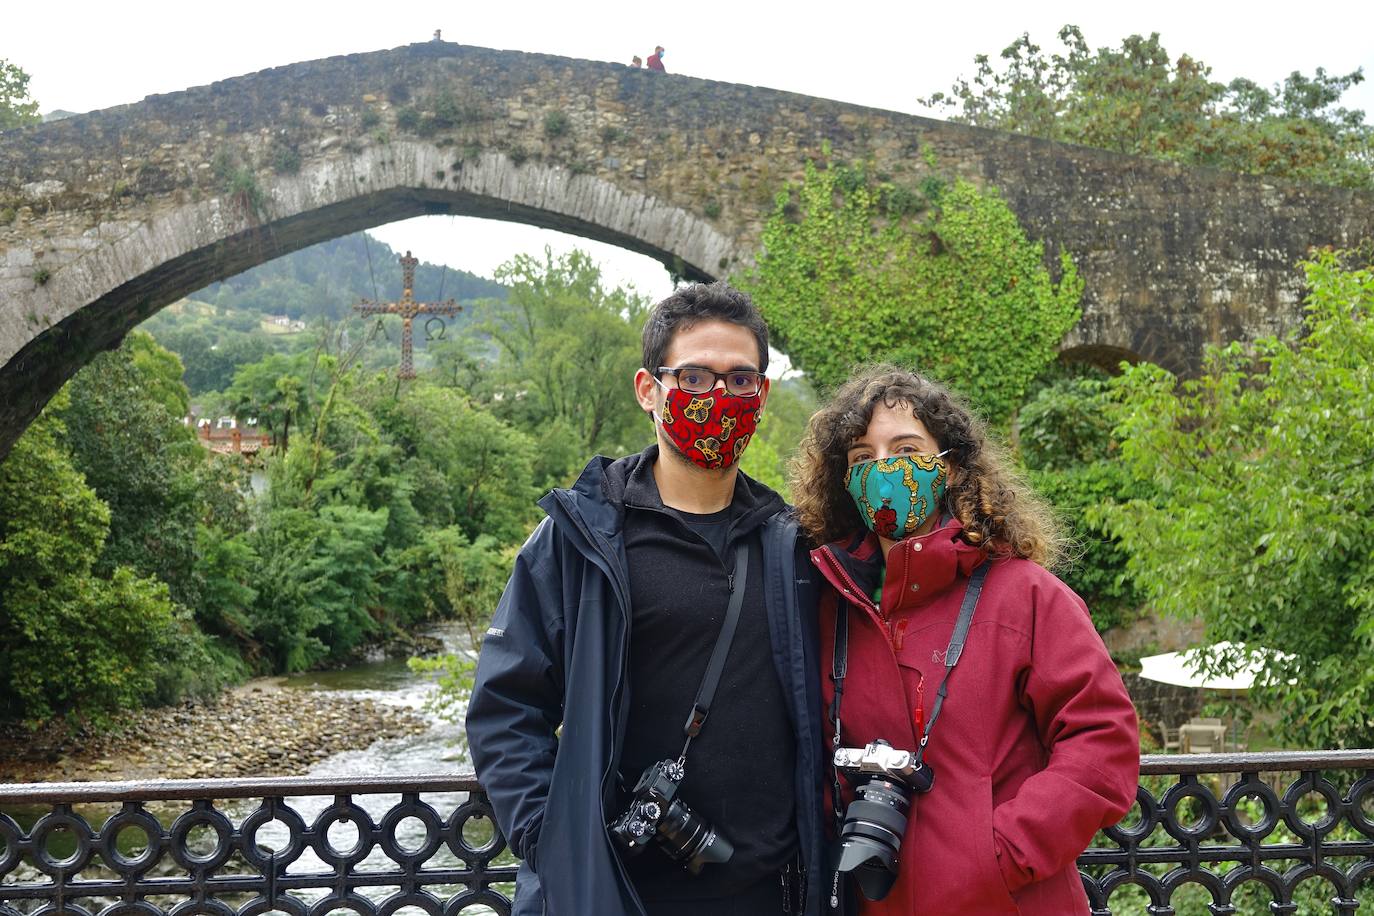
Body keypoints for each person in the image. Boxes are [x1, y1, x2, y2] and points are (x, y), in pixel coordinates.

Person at [466, 281, 826, 916]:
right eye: (694, 377)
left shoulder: (791, 543)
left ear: (762, 394)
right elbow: (505, 708)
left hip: (768, 895)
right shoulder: (581, 540)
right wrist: (557, 846)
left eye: (741, 380)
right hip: (616, 894)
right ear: (649, 390)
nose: (719, 396)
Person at [792, 366, 1139, 915]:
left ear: (949, 469)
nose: (883, 469)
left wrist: (998, 854)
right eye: (862, 458)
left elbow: (1103, 743)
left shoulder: (1025, 594)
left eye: (905, 448)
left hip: (1010, 901)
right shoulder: (832, 606)